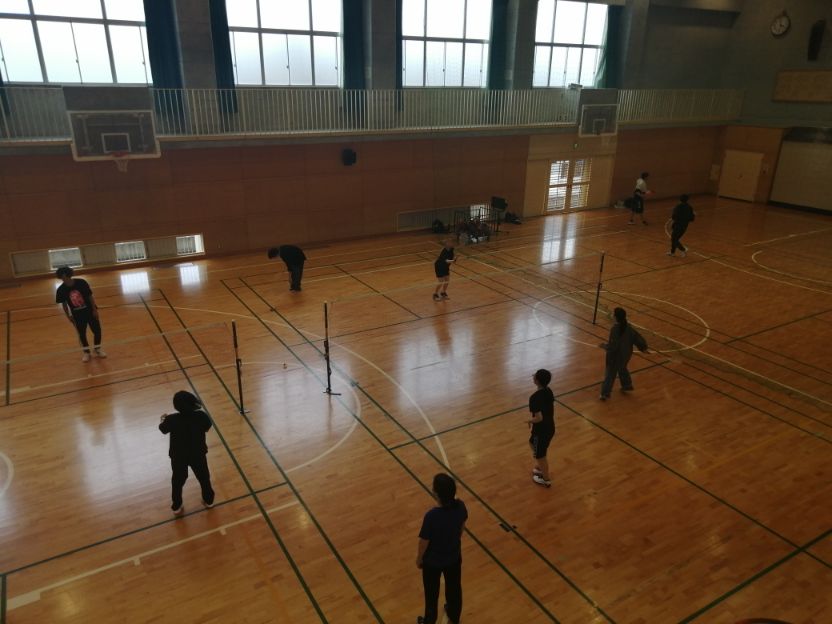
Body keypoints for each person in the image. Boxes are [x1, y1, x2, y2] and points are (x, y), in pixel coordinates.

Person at [416, 473, 467, 624]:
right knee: (454, 589)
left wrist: (419, 559)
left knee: (431, 594)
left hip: (433, 562)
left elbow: (424, 542)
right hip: (454, 557)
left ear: (437, 494)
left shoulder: (432, 516)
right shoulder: (461, 506)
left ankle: (430, 620)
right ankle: (454, 615)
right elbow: (461, 529)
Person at [159, 390, 215, 516]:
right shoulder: (201, 416)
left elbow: (163, 429)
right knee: (204, 478)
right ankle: (209, 500)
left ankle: (177, 506)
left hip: (179, 456)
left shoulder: (171, 419)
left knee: (177, 481)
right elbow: (207, 426)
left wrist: (163, 419)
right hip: (198, 454)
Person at [54, 266, 106, 363]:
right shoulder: (61, 290)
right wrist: (68, 316)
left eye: (62, 275)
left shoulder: (81, 282)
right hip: (77, 315)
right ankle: (86, 352)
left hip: (90, 311)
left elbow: (90, 296)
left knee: (97, 331)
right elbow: (64, 305)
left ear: (66, 274)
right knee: (82, 334)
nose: (62, 277)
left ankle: (97, 348)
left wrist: (94, 310)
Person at [600, 308, 649, 401]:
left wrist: (604, 346)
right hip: (626, 355)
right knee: (622, 367)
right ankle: (627, 385)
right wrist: (643, 348)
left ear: (615, 317)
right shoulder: (628, 327)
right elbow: (637, 338)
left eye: (613, 314)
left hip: (615, 357)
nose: (612, 315)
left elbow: (613, 346)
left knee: (610, 373)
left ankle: (605, 393)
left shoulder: (615, 330)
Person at [528, 369, 555, 488]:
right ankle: (540, 467)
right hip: (550, 427)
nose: (533, 376)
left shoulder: (534, 398)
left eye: (535, 375)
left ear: (537, 381)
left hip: (541, 431)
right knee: (532, 443)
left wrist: (530, 420)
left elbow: (539, 418)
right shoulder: (548, 391)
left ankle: (546, 479)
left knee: (540, 455)